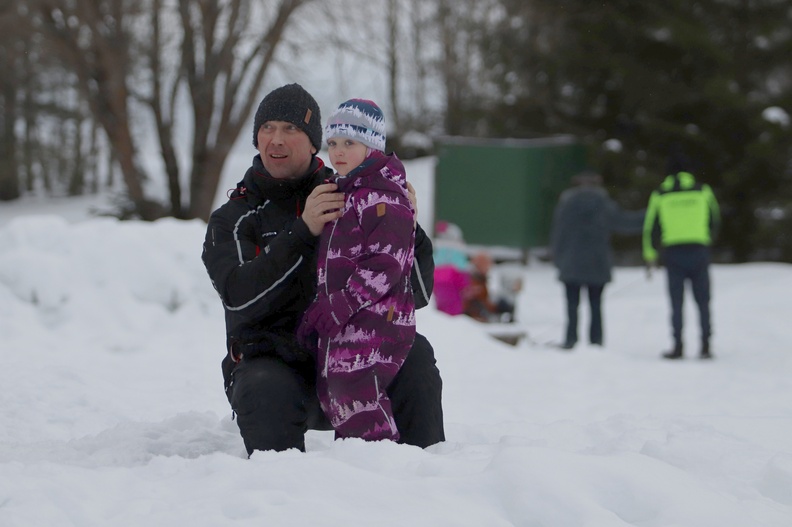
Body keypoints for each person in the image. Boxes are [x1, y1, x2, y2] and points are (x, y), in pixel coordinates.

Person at [201, 84, 444, 455]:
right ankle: (281, 498)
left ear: (315, 142)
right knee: (264, 385)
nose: (277, 140)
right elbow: (238, 297)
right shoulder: (234, 218)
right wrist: (301, 233)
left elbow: (419, 292)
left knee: (415, 354)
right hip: (278, 365)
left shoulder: (360, 193)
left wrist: (408, 228)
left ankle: (428, 475)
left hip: (353, 352)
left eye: (291, 129)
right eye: (268, 128)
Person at [296, 99, 415, 442]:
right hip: (350, 316)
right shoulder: (346, 191)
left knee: (355, 386)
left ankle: (378, 460)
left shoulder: (384, 198)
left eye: (350, 143)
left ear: (372, 145)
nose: (338, 152)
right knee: (338, 387)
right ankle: (355, 460)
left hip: (379, 316)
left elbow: (386, 263)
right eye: (333, 144)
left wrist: (340, 303)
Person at [551, 171, 644, 349]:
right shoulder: (603, 203)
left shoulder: (566, 204)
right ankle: (596, 341)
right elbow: (623, 222)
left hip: (571, 262)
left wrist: (557, 258)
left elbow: (558, 233)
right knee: (595, 305)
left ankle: (571, 340)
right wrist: (649, 216)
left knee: (572, 305)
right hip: (597, 263)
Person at [643, 154, 721, 360]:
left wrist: (650, 255)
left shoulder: (660, 194)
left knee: (676, 302)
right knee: (703, 300)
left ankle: (677, 346)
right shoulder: (702, 190)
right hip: (698, 250)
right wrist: (708, 239)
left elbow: (650, 227)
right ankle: (706, 345)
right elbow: (715, 219)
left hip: (673, 253)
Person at [463, 251, 519, 323]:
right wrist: (494, 308)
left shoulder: (480, 278)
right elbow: (479, 302)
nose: (489, 268)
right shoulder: (474, 281)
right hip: (476, 316)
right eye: (487, 265)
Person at [431, 220, 470, 316]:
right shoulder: (458, 263)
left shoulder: (436, 262)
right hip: (455, 305)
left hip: (439, 301)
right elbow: (464, 283)